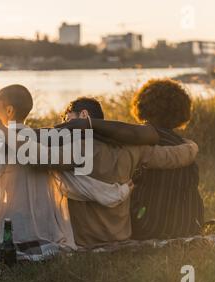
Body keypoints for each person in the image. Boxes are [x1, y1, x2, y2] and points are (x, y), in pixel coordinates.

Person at [0, 85, 135, 249]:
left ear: (8, 110)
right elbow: (79, 183)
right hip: (44, 231)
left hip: (2, 232)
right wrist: (119, 191)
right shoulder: (44, 143)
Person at [58, 97, 199, 248]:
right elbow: (173, 157)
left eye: (69, 120)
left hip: (93, 237)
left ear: (84, 115)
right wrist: (192, 146)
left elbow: (38, 158)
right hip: (128, 233)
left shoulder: (74, 150)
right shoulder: (133, 146)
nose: (66, 126)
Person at [129, 79, 204, 240]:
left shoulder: (140, 142)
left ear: (142, 106)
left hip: (147, 228)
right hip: (187, 226)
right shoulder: (182, 144)